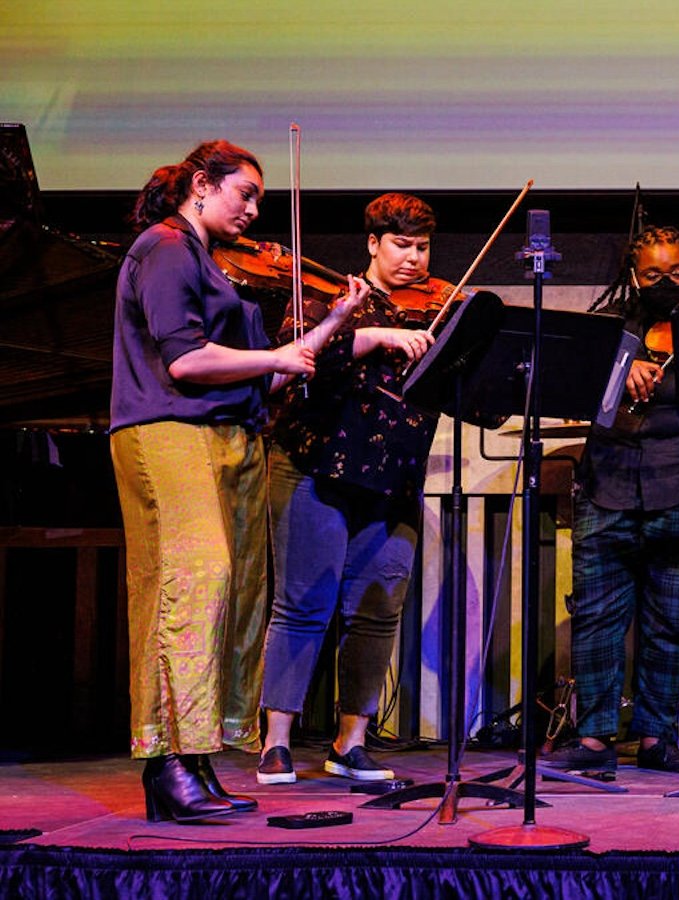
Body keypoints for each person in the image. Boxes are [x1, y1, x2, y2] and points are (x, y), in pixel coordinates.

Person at [110, 140, 362, 822]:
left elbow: (270, 371)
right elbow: (186, 361)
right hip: (171, 432)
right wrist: (273, 353)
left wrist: (333, 322)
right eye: (243, 193)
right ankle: (166, 764)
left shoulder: (217, 269)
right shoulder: (163, 248)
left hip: (231, 437)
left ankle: (197, 759)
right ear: (200, 183)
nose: (253, 209)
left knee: (236, 597)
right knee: (196, 584)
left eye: (258, 199)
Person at [542, 225, 679, 779]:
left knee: (670, 620)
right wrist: (617, 366)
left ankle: (657, 737)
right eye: (654, 275)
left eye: (678, 274)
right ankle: (593, 740)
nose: (667, 283)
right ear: (633, 275)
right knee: (595, 617)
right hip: (608, 484)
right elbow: (573, 394)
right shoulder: (608, 328)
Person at [256, 193, 442, 785]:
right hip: (316, 466)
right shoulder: (326, 295)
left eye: (422, 247)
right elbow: (296, 360)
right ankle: (276, 742)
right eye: (401, 245)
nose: (414, 258)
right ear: (372, 244)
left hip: (392, 478)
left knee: (378, 609)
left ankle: (350, 742)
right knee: (304, 603)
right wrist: (376, 333)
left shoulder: (436, 307)